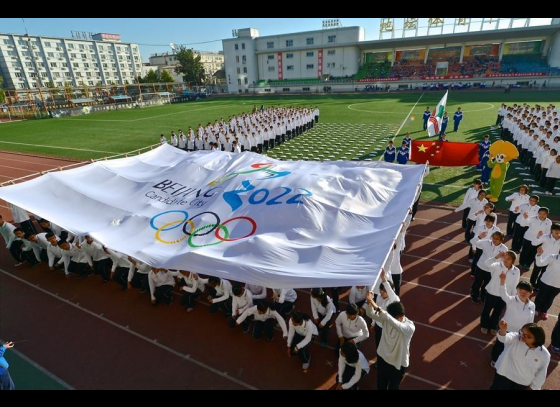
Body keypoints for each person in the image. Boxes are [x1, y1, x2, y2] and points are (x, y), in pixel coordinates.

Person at [366, 294, 414, 391]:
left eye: (391, 317)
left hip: (398, 363)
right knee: (380, 385)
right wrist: (369, 303)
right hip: (383, 358)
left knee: (393, 387)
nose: (389, 318)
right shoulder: (387, 319)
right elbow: (370, 314)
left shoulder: (409, 327)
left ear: (401, 317)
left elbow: (393, 322)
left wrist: (377, 307)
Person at [490, 321, 550, 390]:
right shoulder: (515, 338)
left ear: (537, 339)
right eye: (521, 332)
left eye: (526, 336)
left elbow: (542, 373)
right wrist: (503, 330)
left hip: (521, 383)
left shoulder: (544, 354)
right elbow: (503, 338)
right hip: (503, 374)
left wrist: (534, 388)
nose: (522, 336)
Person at [491, 275, 535, 365]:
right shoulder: (511, 300)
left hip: (519, 333)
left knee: (511, 348)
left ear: (531, 293)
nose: (523, 292)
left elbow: (531, 320)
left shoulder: (532, 305)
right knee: (500, 346)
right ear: (517, 290)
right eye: (520, 290)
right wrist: (502, 281)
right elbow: (503, 293)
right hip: (506, 330)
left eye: (526, 291)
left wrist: (528, 333)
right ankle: (495, 360)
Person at [481, 252, 521, 335]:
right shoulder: (497, 265)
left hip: (504, 296)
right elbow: (486, 263)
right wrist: (497, 256)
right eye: (505, 257)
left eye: (509, 258)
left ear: (513, 260)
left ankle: (493, 326)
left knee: (497, 312)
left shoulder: (516, 271)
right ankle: (484, 325)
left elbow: (515, 285)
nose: (505, 260)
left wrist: (512, 298)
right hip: (492, 292)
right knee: (486, 310)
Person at [534, 247, 560, 320]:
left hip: (558, 285)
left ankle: (544, 310)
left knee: (550, 298)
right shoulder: (553, 257)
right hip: (546, 281)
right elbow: (539, 264)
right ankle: (536, 308)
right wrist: (539, 255)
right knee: (541, 296)